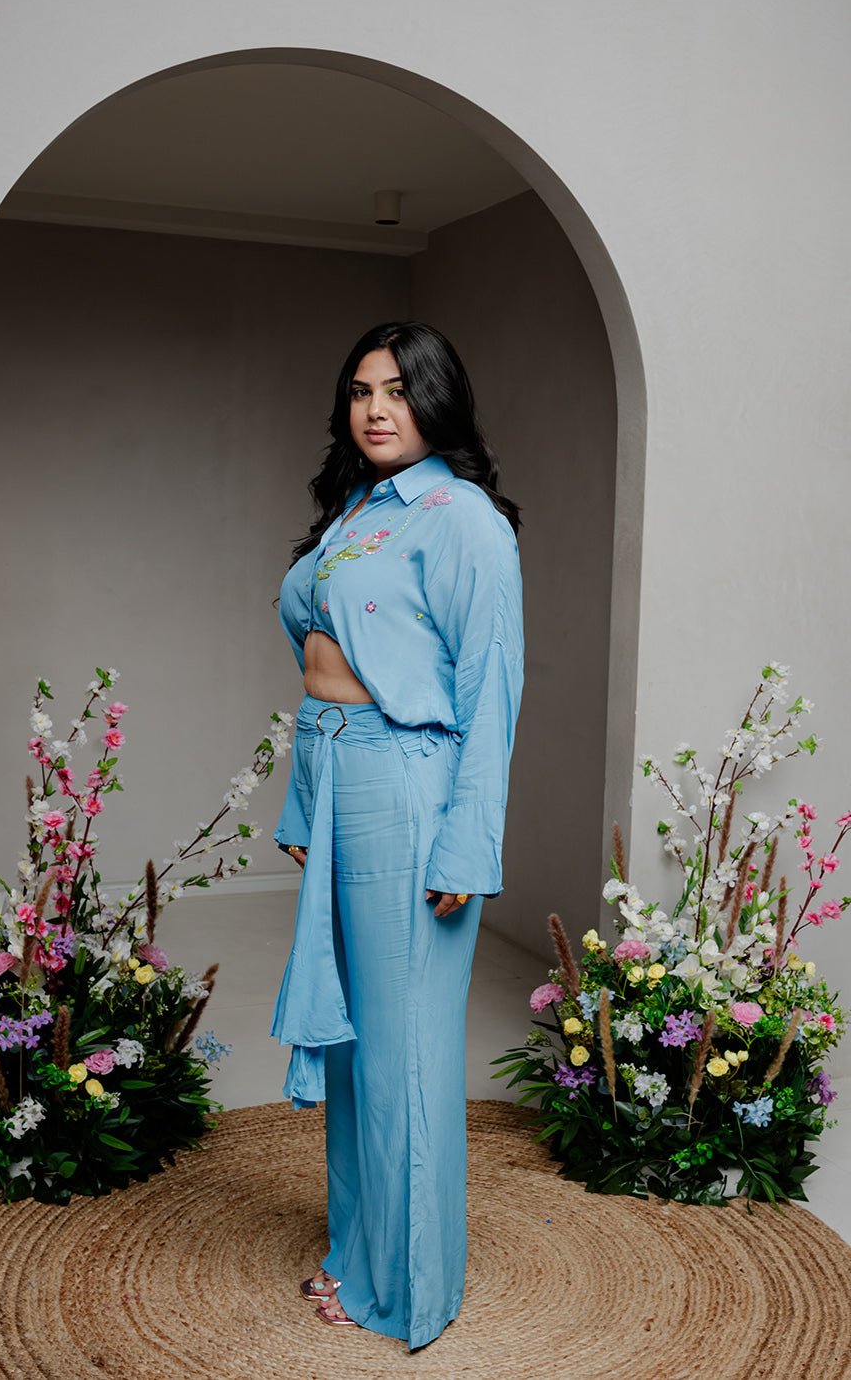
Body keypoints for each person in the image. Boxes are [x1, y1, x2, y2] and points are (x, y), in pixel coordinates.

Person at [271, 321, 523, 1350]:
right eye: (362, 391)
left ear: (436, 401)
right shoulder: (358, 510)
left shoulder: (463, 521)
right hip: (338, 784)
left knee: (406, 1057)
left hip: (411, 794)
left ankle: (408, 1293)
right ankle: (359, 1251)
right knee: (352, 1051)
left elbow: (489, 690)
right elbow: (319, 669)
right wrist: (302, 805)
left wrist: (468, 845)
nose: (377, 408)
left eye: (399, 390)